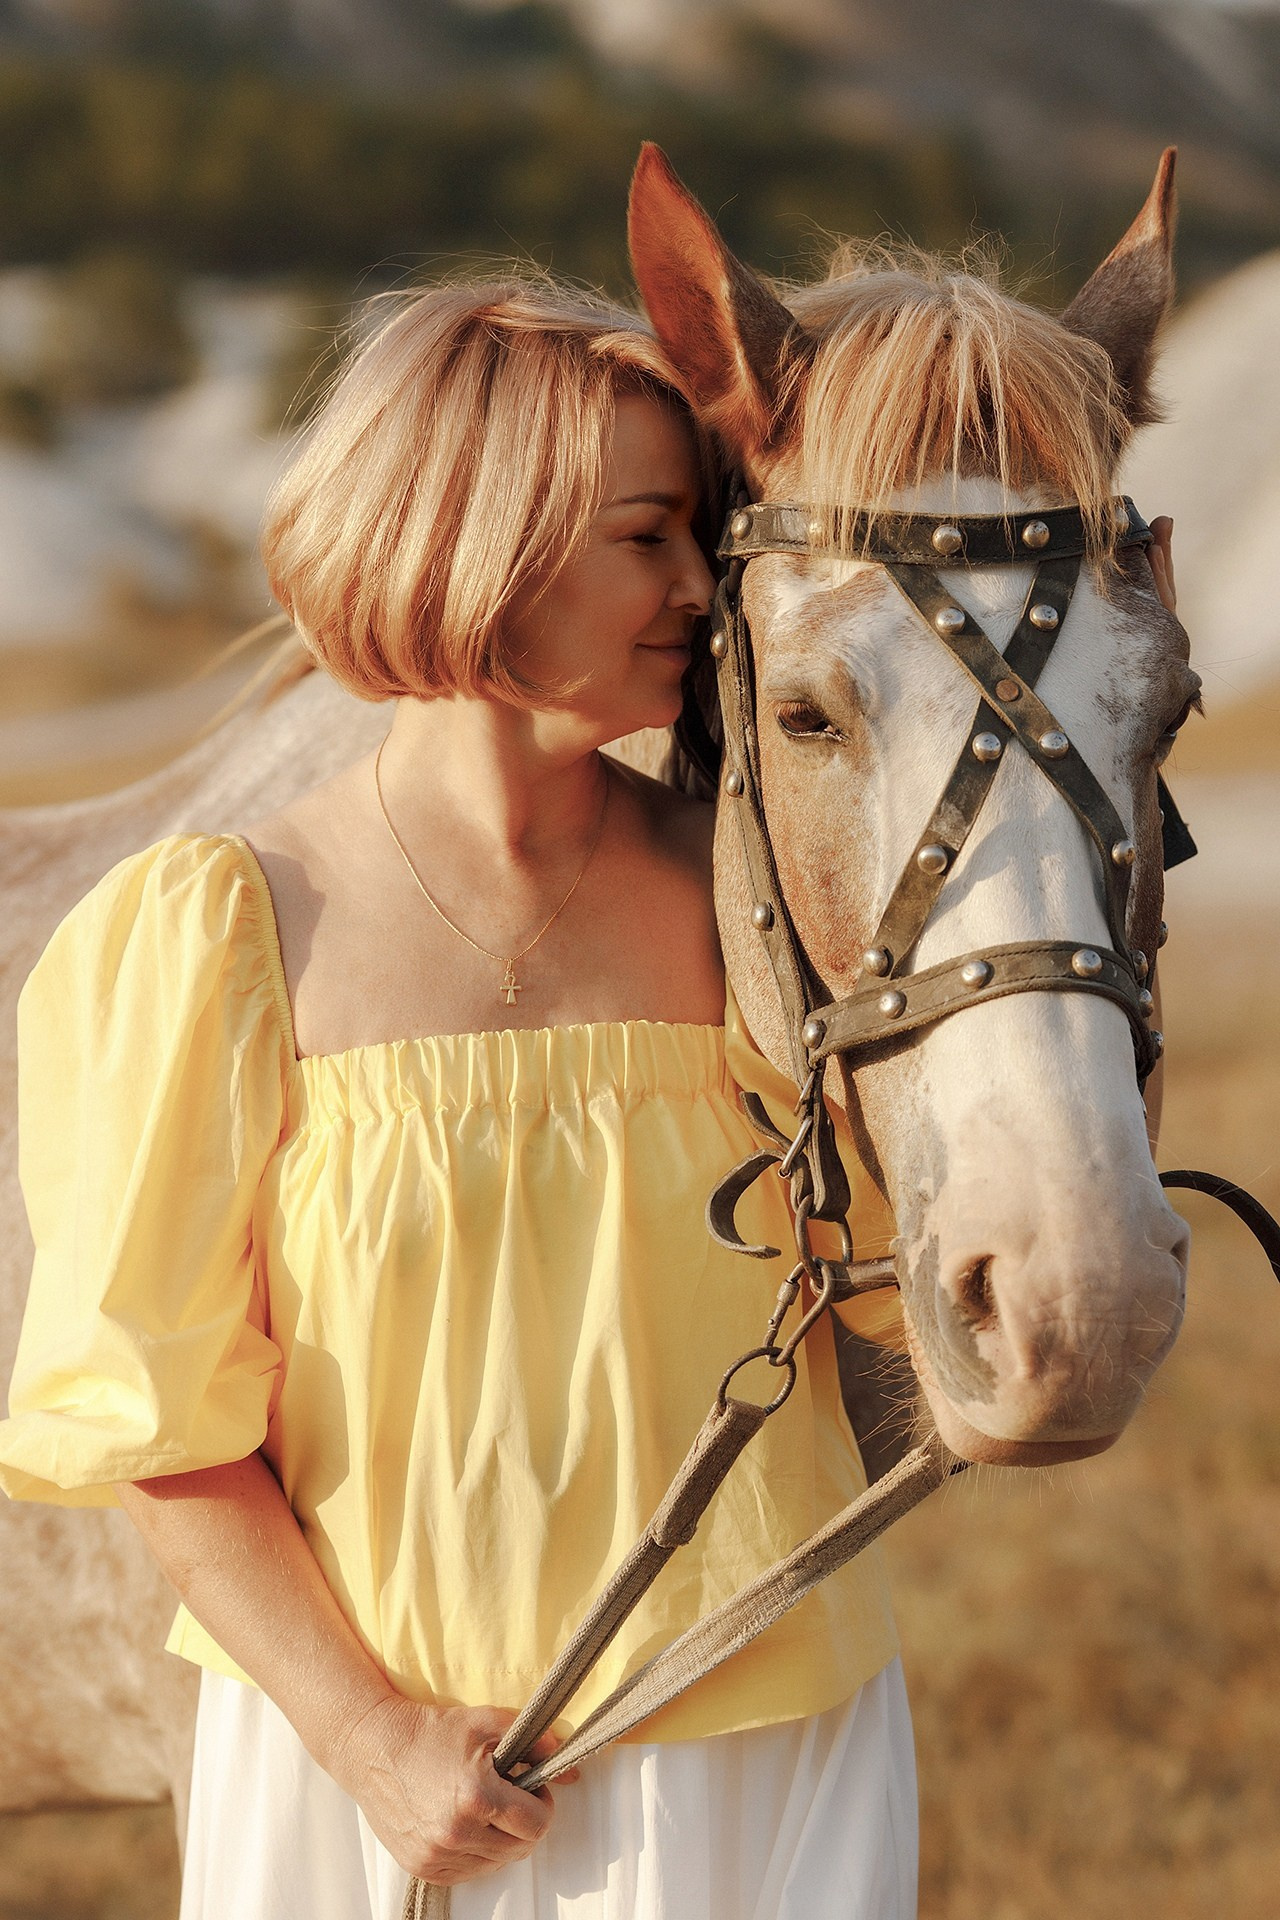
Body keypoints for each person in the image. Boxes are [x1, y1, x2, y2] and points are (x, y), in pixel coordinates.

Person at [0, 278, 912, 1919]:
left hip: (754, 1730)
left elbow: (897, 1298)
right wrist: (367, 1740)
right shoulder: (218, 930)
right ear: (479, 542)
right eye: (651, 536)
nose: (704, 587)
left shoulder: (749, 902)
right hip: (379, 1775)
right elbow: (163, 1432)